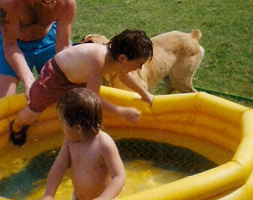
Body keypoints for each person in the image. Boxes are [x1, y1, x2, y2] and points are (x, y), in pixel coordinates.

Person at [9, 29, 155, 146]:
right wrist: (120, 111)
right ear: (123, 58)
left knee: (84, 112)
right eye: (139, 63)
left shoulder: (116, 60)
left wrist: (145, 94)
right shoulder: (99, 59)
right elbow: (93, 97)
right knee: (35, 109)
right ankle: (17, 125)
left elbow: (125, 77)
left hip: (77, 79)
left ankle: (84, 142)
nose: (139, 68)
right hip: (55, 76)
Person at [0, 0, 76, 102]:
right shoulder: (10, 0)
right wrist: (28, 79)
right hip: (15, 44)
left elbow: (63, 46)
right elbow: (9, 45)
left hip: (50, 40)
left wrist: (66, 75)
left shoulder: (66, 2)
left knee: (71, 96)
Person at [34, 88, 126, 200]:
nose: (62, 128)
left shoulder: (104, 144)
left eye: (63, 123)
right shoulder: (70, 142)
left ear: (78, 128)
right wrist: (48, 195)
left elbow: (119, 176)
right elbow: (58, 168)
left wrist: (103, 199)